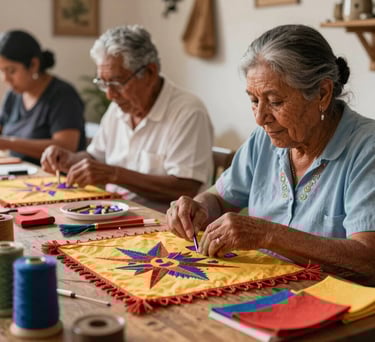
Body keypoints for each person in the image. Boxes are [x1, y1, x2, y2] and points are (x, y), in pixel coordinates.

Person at [166, 24, 375, 285]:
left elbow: (368, 260)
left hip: (341, 310)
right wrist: (196, 207)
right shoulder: (265, 139)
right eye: (254, 100)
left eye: (275, 102)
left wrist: (268, 235)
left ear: (322, 93)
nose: (260, 118)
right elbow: (220, 199)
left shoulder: (367, 149)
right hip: (264, 289)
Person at [41, 25, 213, 211]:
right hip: (115, 214)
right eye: (103, 83)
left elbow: (185, 188)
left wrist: (115, 175)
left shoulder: (188, 111)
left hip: (162, 225)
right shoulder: (119, 108)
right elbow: (96, 156)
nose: (109, 94)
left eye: (116, 82)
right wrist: (69, 159)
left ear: (149, 73)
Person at [0, 30, 86, 165]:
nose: (5, 79)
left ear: (34, 65)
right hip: (19, 171)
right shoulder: (13, 95)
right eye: (1, 71)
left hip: (53, 178)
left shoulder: (63, 95)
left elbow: (66, 146)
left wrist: (9, 143)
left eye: (11, 71)